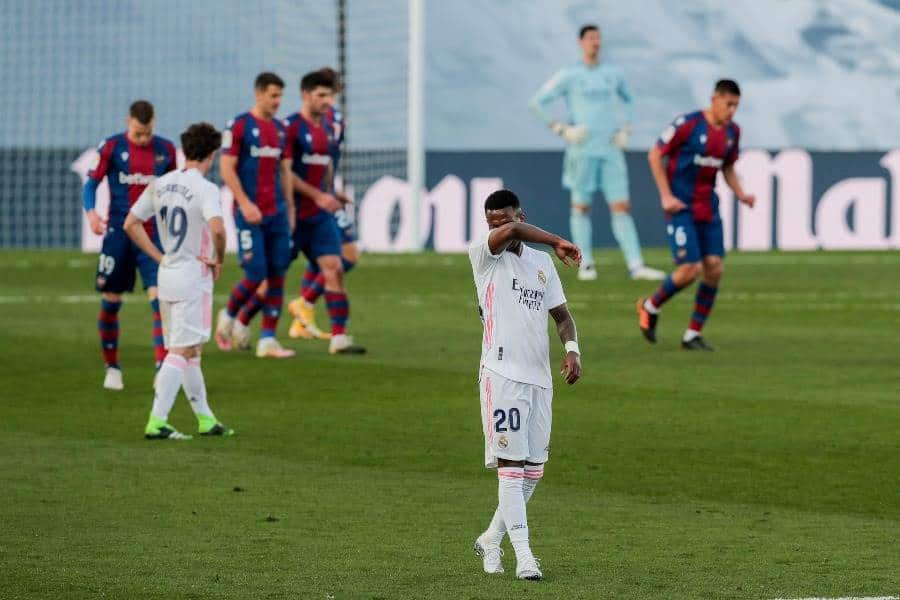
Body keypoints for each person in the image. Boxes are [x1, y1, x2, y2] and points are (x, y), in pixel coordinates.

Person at [468, 189, 582, 580]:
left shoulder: (541, 264)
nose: (499, 228)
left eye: (506, 220)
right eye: (492, 223)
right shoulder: (483, 255)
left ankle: (490, 538)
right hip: (502, 376)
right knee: (511, 468)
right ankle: (525, 557)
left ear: (521, 214)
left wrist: (572, 350)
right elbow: (513, 230)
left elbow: (562, 315)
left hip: (539, 379)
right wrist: (554, 237)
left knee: (533, 471)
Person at [529, 24, 665, 282]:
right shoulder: (569, 75)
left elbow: (630, 99)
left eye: (598, 37)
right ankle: (586, 263)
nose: (595, 42)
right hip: (582, 150)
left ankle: (636, 265)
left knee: (621, 207)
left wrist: (626, 128)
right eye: (591, 38)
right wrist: (561, 128)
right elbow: (536, 102)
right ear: (581, 42)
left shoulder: (612, 73)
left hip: (610, 149)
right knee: (581, 206)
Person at [124, 122, 233, 440]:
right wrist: (220, 258)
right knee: (182, 350)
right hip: (192, 278)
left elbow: (131, 223)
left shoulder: (161, 183)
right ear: (212, 155)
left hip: (167, 274)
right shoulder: (206, 189)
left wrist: (158, 255)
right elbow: (218, 228)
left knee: (189, 350)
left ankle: (206, 419)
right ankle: (157, 421)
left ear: (185, 151)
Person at [636, 79, 756, 350]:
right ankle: (650, 305)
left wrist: (741, 193)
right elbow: (655, 154)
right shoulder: (688, 124)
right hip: (681, 207)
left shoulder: (732, 132)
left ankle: (692, 334)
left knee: (715, 268)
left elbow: (727, 168)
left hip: (708, 208)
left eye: (736, 105)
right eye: (729, 104)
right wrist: (666, 195)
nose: (732, 110)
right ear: (714, 98)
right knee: (691, 269)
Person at [83, 100, 177, 390]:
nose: (143, 139)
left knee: (160, 300)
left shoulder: (166, 150)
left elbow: (176, 191)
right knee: (111, 301)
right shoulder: (111, 147)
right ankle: (112, 367)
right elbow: (91, 184)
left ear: (154, 124)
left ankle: (163, 367)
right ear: (128, 122)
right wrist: (91, 212)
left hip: (153, 236)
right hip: (119, 235)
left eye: (147, 133)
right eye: (138, 133)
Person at [214, 72, 295, 358]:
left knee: (277, 275)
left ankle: (268, 340)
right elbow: (226, 169)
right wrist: (245, 203)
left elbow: (284, 171)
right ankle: (229, 314)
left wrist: (290, 208)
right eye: (274, 95)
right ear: (258, 93)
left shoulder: (281, 130)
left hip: (277, 212)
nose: (278, 102)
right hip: (248, 214)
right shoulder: (238, 126)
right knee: (256, 272)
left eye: (280, 96)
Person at [283, 70, 365, 354]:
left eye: (333, 92)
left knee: (345, 257)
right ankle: (240, 319)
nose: (330, 97)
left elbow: (329, 161)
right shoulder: (297, 124)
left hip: (323, 199)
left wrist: (329, 191)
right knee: (270, 272)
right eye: (324, 92)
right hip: (302, 202)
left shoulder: (335, 122)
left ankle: (305, 306)